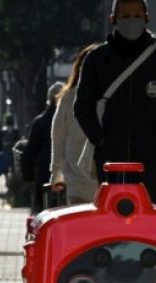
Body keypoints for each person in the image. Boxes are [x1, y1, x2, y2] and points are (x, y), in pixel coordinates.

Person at [74, 0, 156, 204]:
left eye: (137, 15)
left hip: (148, 161)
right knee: (111, 218)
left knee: (145, 220)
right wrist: (100, 140)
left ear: (147, 17)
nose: (132, 20)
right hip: (109, 161)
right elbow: (82, 107)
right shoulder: (97, 59)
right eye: (125, 16)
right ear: (113, 19)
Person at [50, 44, 100, 204]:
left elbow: (58, 138)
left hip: (76, 184)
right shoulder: (118, 98)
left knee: (79, 227)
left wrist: (56, 174)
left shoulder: (68, 98)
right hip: (108, 184)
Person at [21, 82, 63, 214]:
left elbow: (30, 150)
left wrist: (28, 176)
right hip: (69, 173)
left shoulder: (40, 121)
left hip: (44, 171)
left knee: (41, 208)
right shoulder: (72, 120)